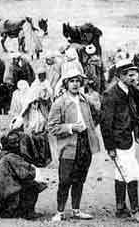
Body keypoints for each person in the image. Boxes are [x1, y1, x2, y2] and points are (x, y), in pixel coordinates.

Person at [48, 65, 102, 221]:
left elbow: (96, 116)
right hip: (68, 145)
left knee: (80, 178)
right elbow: (52, 127)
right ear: (66, 83)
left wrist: (89, 128)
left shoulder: (85, 100)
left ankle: (76, 210)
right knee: (65, 180)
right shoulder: (60, 102)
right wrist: (71, 127)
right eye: (71, 81)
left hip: (85, 142)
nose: (75, 84)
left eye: (78, 81)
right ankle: (59, 211)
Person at [100, 58, 139, 223]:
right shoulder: (110, 94)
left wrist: (138, 91)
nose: (133, 77)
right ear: (120, 76)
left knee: (121, 174)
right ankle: (136, 211)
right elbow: (105, 123)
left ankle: (120, 208)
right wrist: (110, 147)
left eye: (134, 74)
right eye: (129, 75)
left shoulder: (132, 90)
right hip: (118, 141)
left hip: (129, 138)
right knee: (132, 173)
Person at [0, 128, 47, 219]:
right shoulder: (12, 158)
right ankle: (26, 213)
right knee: (33, 185)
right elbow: (28, 174)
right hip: (2, 204)